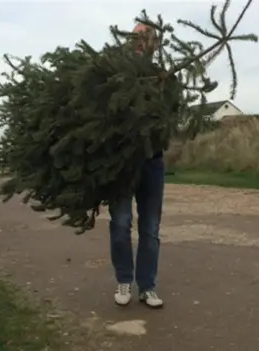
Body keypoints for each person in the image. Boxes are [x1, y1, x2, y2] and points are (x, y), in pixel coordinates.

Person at [109, 23, 165, 309]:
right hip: (121, 161)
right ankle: (124, 280)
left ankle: (147, 287)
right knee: (120, 224)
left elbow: (169, 118)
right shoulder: (115, 75)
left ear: (155, 43)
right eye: (137, 37)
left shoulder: (161, 76)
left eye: (147, 38)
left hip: (153, 161)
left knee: (150, 228)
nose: (141, 42)